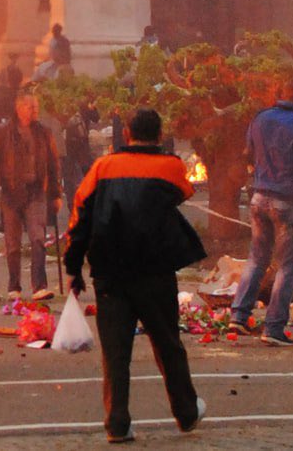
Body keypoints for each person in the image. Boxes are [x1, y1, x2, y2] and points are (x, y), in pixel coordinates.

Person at [64, 108, 207, 442]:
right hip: (154, 271)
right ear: (159, 135)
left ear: (125, 134)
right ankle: (185, 412)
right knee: (167, 343)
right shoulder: (170, 167)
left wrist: (74, 267)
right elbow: (185, 191)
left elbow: (80, 212)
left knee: (115, 352)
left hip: (110, 272)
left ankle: (117, 422)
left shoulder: (102, 167)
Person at [231, 76, 293, 346]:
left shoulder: (261, 117)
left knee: (257, 258)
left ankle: (239, 316)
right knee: (288, 266)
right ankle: (273, 328)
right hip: (287, 201)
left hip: (259, 197)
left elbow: (248, 152)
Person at [0, 92, 61, 301]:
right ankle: (14, 286)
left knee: (38, 237)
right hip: (10, 193)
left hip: (36, 192)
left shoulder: (44, 133)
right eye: (30, 107)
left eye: (36, 107)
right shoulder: (3, 132)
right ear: (19, 108)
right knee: (13, 243)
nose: (35, 111)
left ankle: (39, 286)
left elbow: (53, 165)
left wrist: (55, 194)